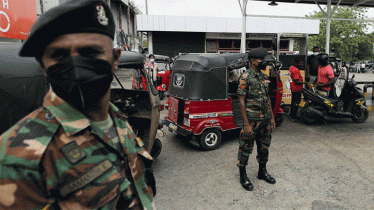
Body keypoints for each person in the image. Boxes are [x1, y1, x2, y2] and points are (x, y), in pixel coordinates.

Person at [0, 1, 156, 209]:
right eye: (59, 55)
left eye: (90, 53)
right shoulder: (17, 158)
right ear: (43, 65)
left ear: (115, 58)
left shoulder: (117, 120)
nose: (76, 66)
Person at [237, 47, 276, 191]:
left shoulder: (263, 77)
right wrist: (246, 124)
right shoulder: (245, 77)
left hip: (265, 119)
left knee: (264, 147)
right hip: (252, 120)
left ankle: (262, 172)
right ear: (253, 61)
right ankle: (243, 176)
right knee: (246, 148)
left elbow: (268, 99)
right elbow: (241, 100)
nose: (264, 62)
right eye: (262, 59)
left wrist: (272, 117)